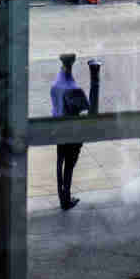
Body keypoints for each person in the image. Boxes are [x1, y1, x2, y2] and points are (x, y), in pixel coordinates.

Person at [51, 52, 89, 210]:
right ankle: (66, 199)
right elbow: (87, 107)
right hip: (72, 132)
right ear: (73, 63)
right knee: (69, 165)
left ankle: (62, 197)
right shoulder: (73, 88)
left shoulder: (55, 84)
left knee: (60, 163)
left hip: (58, 129)